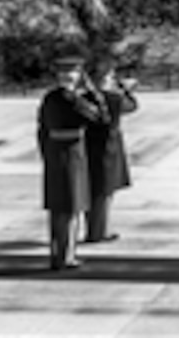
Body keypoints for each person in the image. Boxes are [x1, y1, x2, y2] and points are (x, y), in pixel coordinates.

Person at [37, 53, 108, 270]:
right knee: (71, 207)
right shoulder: (73, 100)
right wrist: (94, 93)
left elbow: (41, 130)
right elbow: (101, 118)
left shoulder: (49, 98)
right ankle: (66, 256)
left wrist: (46, 154)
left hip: (53, 154)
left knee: (57, 209)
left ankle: (56, 254)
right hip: (72, 155)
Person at [82, 55, 139, 244]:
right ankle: (98, 232)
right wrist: (125, 89)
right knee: (104, 193)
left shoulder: (84, 98)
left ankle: (94, 229)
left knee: (92, 191)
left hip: (88, 147)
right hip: (109, 149)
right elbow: (132, 106)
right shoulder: (113, 98)